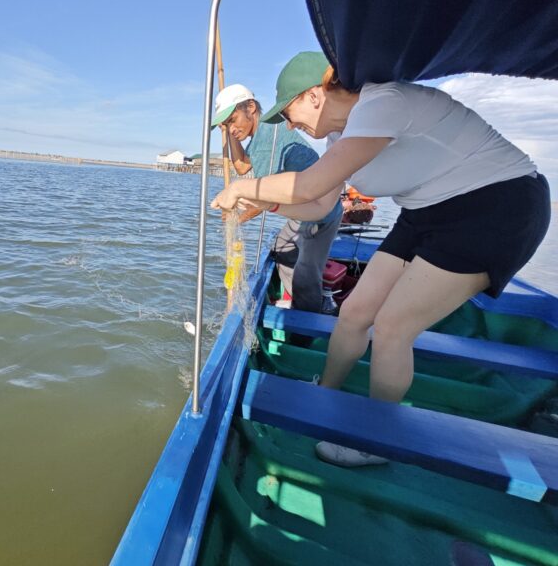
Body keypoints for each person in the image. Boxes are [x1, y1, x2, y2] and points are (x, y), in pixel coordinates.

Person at [211, 51, 551, 467]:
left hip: (496, 206)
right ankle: (327, 390)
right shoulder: (341, 137)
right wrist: (270, 206)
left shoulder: (381, 102)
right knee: (355, 312)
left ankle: (376, 440)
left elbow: (309, 183)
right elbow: (318, 205)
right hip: (425, 211)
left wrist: (245, 189)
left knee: (392, 326)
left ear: (315, 95)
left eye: (290, 111)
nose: (288, 124)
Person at [211, 83, 343, 313]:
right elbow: (242, 166)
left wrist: (237, 218)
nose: (232, 128)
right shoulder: (262, 133)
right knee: (280, 247)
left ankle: (309, 316)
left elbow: (260, 194)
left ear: (251, 107)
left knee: (306, 276)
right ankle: (301, 298)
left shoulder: (267, 140)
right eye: (227, 124)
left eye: (233, 120)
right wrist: (228, 131)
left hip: (321, 213)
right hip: (301, 209)